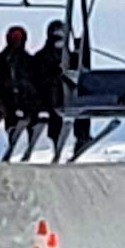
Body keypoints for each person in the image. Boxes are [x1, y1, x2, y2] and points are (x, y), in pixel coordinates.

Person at [0, 25, 41, 161]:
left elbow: (36, 78)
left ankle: (31, 127)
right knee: (11, 103)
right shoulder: (1, 59)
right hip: (7, 97)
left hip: (27, 97)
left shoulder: (28, 59)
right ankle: (13, 129)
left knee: (31, 102)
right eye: (14, 39)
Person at [30, 20, 70, 163]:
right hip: (47, 97)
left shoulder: (68, 57)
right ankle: (54, 138)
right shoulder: (43, 57)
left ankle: (78, 137)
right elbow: (37, 77)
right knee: (54, 110)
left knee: (57, 109)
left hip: (61, 96)